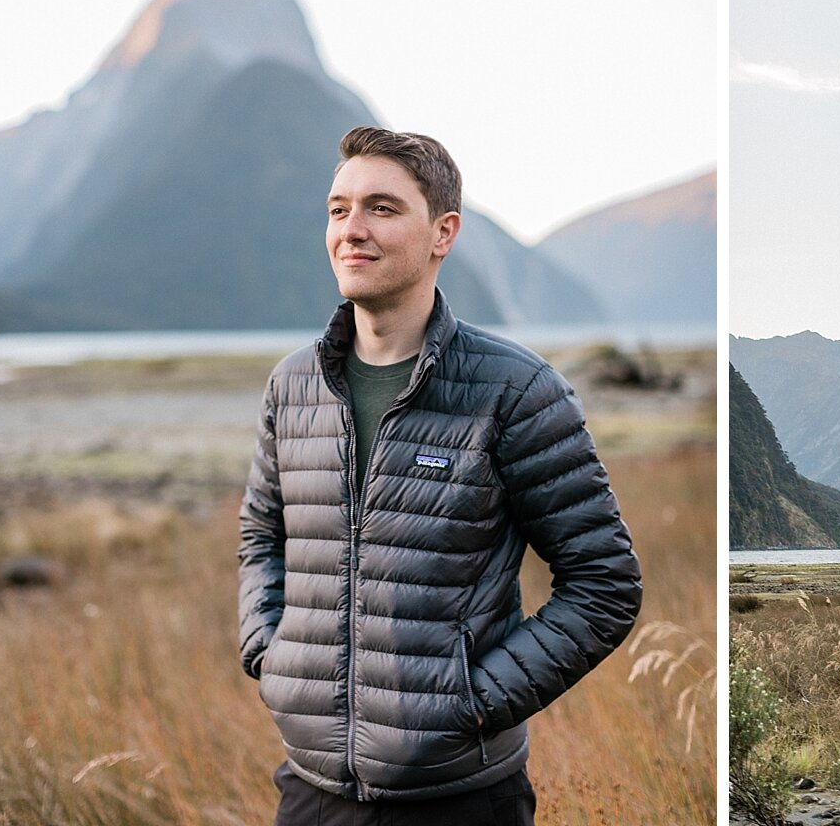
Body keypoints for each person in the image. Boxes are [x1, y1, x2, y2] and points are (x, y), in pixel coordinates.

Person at [238, 126, 642, 823]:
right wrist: (268, 653)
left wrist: (474, 702)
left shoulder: (513, 390)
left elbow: (605, 583)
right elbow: (260, 535)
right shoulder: (292, 385)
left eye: (382, 209)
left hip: (459, 798)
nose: (351, 230)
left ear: (442, 233)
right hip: (310, 791)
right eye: (338, 210)